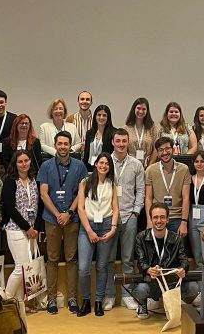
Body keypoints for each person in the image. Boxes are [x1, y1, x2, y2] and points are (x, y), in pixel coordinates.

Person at [38, 131, 89, 314]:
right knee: (52, 259)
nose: (63, 147)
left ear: (70, 145)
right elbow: (44, 193)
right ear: (55, 144)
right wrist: (58, 213)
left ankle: (72, 298)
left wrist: (68, 212)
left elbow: (81, 193)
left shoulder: (80, 166)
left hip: (72, 218)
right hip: (52, 219)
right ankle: (51, 299)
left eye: (66, 144)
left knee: (71, 259)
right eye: (59, 143)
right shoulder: (46, 166)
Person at [132, 204, 199, 320]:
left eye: (162, 217)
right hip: (152, 282)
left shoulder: (177, 238)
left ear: (168, 219)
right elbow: (141, 261)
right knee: (139, 290)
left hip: (171, 282)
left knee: (193, 287)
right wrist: (148, 269)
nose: (159, 221)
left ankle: (173, 302)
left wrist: (183, 269)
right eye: (156, 217)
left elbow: (184, 260)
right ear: (151, 219)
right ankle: (143, 304)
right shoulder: (141, 237)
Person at [76, 152, 119, 317]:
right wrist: (89, 231)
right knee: (83, 268)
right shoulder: (85, 182)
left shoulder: (112, 184)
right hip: (88, 226)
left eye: (107, 164)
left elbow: (115, 208)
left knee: (102, 266)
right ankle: (86, 301)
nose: (103, 166)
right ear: (96, 164)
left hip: (107, 225)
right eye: (101, 163)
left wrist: (113, 228)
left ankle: (99, 301)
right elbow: (80, 208)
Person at [106, 128, 145, 311]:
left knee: (128, 259)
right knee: (109, 259)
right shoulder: (105, 162)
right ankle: (109, 295)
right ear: (113, 142)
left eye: (124, 141)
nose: (121, 144)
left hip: (130, 217)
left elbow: (141, 191)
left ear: (128, 142)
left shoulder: (136, 164)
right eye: (118, 141)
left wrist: (136, 213)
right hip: (109, 217)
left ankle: (128, 296)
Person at [1, 148, 43, 304]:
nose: (24, 164)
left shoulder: (35, 179)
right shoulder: (10, 181)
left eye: (26, 160)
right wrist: (27, 227)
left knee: (27, 268)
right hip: (16, 229)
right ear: (15, 164)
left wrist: (36, 228)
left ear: (30, 161)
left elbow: (40, 206)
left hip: (32, 230)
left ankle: (18, 303)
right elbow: (10, 208)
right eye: (20, 161)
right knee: (21, 267)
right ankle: (5, 299)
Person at [144, 136, 191, 239]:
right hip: (157, 218)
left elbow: (186, 197)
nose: (164, 152)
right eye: (161, 150)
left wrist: (184, 222)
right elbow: (148, 198)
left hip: (177, 217)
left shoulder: (184, 169)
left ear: (173, 149)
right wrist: (149, 220)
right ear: (157, 152)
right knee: (157, 252)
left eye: (167, 149)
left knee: (176, 253)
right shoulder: (150, 170)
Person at [125, 97, 158, 165]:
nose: (140, 111)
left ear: (147, 111)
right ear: (134, 109)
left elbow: (156, 149)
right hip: (130, 165)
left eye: (144, 109)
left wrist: (149, 166)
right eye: (138, 108)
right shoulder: (126, 128)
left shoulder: (152, 128)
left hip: (148, 164)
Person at [66, 90, 94, 156]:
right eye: (82, 99)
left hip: (91, 156)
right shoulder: (70, 119)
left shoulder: (96, 120)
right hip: (74, 156)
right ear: (78, 102)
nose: (84, 101)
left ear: (91, 102)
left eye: (87, 99)